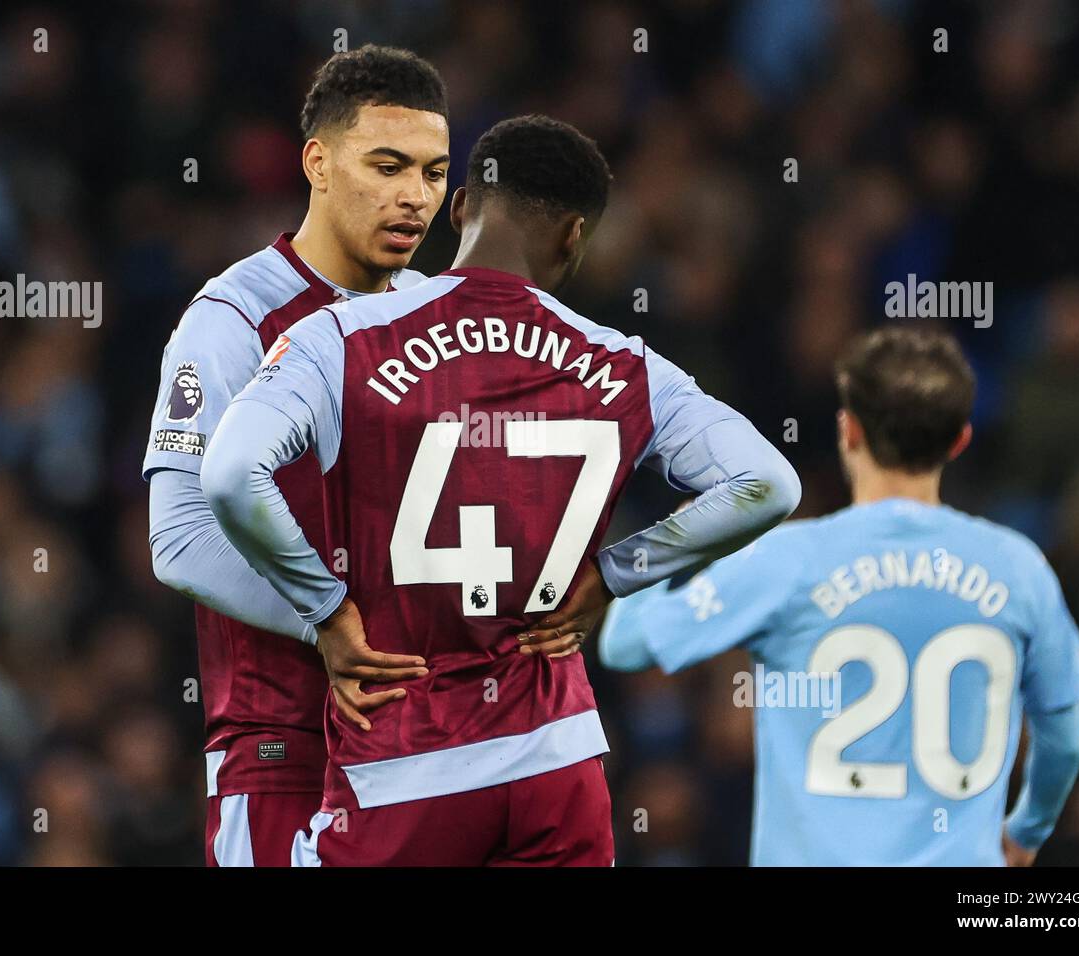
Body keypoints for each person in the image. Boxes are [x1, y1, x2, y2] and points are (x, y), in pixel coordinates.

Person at [200, 114, 801, 865]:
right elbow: (768, 484)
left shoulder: (342, 337)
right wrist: (616, 574)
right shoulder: (625, 365)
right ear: (575, 234)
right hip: (558, 765)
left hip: (405, 767)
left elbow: (229, 476)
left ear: (458, 207)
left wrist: (323, 609)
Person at [600, 326, 1079, 866]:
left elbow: (624, 645)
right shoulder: (1018, 567)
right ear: (960, 439)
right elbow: (1066, 736)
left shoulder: (789, 560)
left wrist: (683, 537)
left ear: (849, 430)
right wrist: (1028, 831)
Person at [143, 45, 449, 866]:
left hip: (437, 748)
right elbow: (179, 540)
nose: (413, 196)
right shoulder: (233, 317)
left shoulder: (441, 315)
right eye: (386, 166)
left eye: (432, 172)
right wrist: (328, 623)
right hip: (287, 753)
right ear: (317, 161)